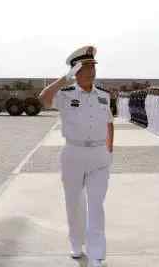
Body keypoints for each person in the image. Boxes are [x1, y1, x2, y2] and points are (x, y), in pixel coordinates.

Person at [39, 46, 114, 267]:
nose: (92, 71)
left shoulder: (104, 96)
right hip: (73, 153)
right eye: (86, 67)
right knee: (74, 202)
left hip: (99, 155)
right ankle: (76, 243)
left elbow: (109, 122)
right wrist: (63, 80)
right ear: (75, 71)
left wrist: (110, 150)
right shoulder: (64, 94)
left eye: (93, 66)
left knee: (96, 203)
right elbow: (43, 99)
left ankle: (96, 254)